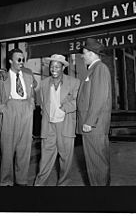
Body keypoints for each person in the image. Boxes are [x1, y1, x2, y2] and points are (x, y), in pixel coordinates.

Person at [34, 54, 80, 186]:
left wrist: (65, 108)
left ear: (63, 68)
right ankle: (38, 185)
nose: (54, 69)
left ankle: (63, 185)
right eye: (52, 66)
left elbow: (78, 101)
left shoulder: (74, 82)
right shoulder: (43, 84)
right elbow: (42, 106)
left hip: (65, 127)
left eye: (57, 66)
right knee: (45, 160)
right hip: (48, 127)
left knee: (66, 160)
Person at [0, 48, 35, 186]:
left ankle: (21, 181)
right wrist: (4, 110)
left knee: (25, 149)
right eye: (18, 59)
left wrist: (31, 106)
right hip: (10, 110)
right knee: (7, 150)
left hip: (26, 110)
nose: (21, 62)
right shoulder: (2, 77)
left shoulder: (28, 75)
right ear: (11, 61)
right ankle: (6, 182)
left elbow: (32, 94)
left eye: (23, 59)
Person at [77, 38, 112, 186]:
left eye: (84, 53)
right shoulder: (93, 69)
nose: (82, 56)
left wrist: (89, 122)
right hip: (93, 126)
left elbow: (99, 97)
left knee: (97, 164)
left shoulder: (99, 69)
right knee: (94, 164)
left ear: (91, 53)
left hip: (94, 126)